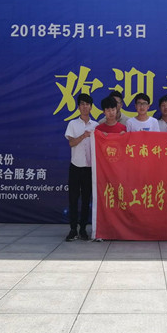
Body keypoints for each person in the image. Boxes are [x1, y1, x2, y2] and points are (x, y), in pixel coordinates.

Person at [64, 93, 98, 241]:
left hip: (90, 167)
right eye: (82, 104)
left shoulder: (96, 126)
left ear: (91, 107)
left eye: (87, 104)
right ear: (78, 107)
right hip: (76, 166)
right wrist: (83, 136)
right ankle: (73, 229)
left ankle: (83, 228)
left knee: (86, 199)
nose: (85, 107)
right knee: (73, 198)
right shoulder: (73, 124)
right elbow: (71, 143)